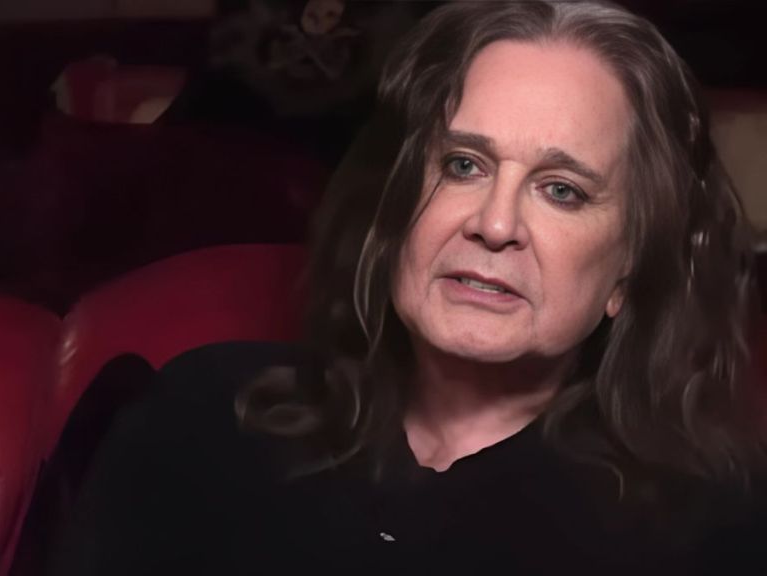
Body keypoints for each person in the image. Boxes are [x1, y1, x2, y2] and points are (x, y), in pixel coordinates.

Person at [45, 1, 767, 574]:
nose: (494, 224)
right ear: (395, 209)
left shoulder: (712, 524)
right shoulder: (201, 418)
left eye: (562, 190)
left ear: (627, 273)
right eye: (463, 165)